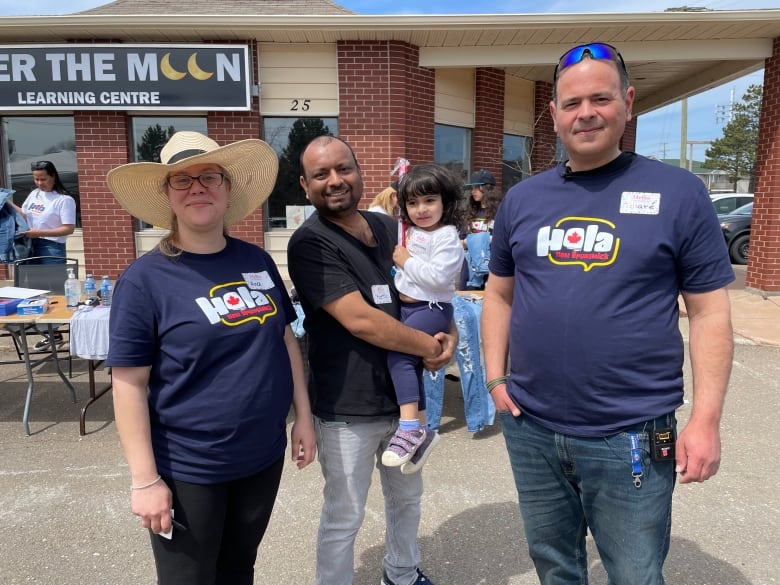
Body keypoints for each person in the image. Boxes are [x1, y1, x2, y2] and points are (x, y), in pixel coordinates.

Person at [481, 42, 734, 585]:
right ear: (553, 115)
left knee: (635, 573)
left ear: (628, 102)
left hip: (632, 431)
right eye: (571, 103)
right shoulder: (522, 201)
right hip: (531, 426)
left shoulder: (679, 193)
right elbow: (499, 296)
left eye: (600, 97)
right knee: (553, 564)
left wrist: (706, 419)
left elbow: (710, 311)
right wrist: (496, 377)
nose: (586, 112)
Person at [105, 131, 316, 585]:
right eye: (181, 180)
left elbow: (285, 339)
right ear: (167, 196)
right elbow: (128, 383)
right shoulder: (144, 281)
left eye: (209, 176)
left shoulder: (258, 261)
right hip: (188, 467)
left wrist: (303, 415)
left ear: (226, 189)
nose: (197, 187)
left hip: (261, 456)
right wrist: (144, 480)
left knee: (239, 570)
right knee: (190, 579)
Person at [288, 135, 456, 585]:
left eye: (343, 168)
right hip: (348, 408)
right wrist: (429, 348)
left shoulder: (388, 230)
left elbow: (432, 288)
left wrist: (450, 331)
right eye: (321, 174)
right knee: (345, 514)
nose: (335, 181)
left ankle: (401, 573)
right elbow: (362, 321)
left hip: (404, 403)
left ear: (360, 173)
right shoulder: (309, 243)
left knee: (407, 500)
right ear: (306, 186)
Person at [382, 164, 464, 471]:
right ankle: (425, 430)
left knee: (398, 357)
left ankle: (408, 428)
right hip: (410, 308)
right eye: (412, 203)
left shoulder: (446, 236)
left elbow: (439, 278)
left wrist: (406, 260)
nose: (421, 209)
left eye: (429, 200)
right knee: (411, 366)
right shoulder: (410, 232)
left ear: (445, 201)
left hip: (431, 309)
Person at [9, 160, 76, 263]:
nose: (39, 183)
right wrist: (6, 202)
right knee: (32, 278)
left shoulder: (64, 199)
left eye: (43, 179)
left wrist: (39, 233)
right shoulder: (34, 194)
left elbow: (69, 229)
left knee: (51, 278)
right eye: (36, 179)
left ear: (53, 176)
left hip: (51, 247)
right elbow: (24, 214)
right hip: (29, 244)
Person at [459, 168, 501, 290]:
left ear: (487, 188)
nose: (473, 191)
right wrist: (474, 241)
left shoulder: (500, 212)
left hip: (492, 271)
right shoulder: (470, 213)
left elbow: (505, 240)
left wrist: (483, 239)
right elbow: (461, 241)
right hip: (469, 271)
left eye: (477, 187)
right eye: (471, 188)